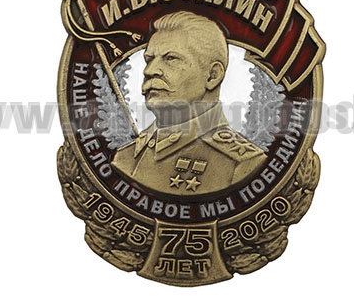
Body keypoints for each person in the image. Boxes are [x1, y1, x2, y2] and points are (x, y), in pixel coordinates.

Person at [112, 11, 267, 196]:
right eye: (149, 59)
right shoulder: (124, 157)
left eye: (170, 58)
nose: (150, 70)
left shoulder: (243, 164)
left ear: (212, 76)